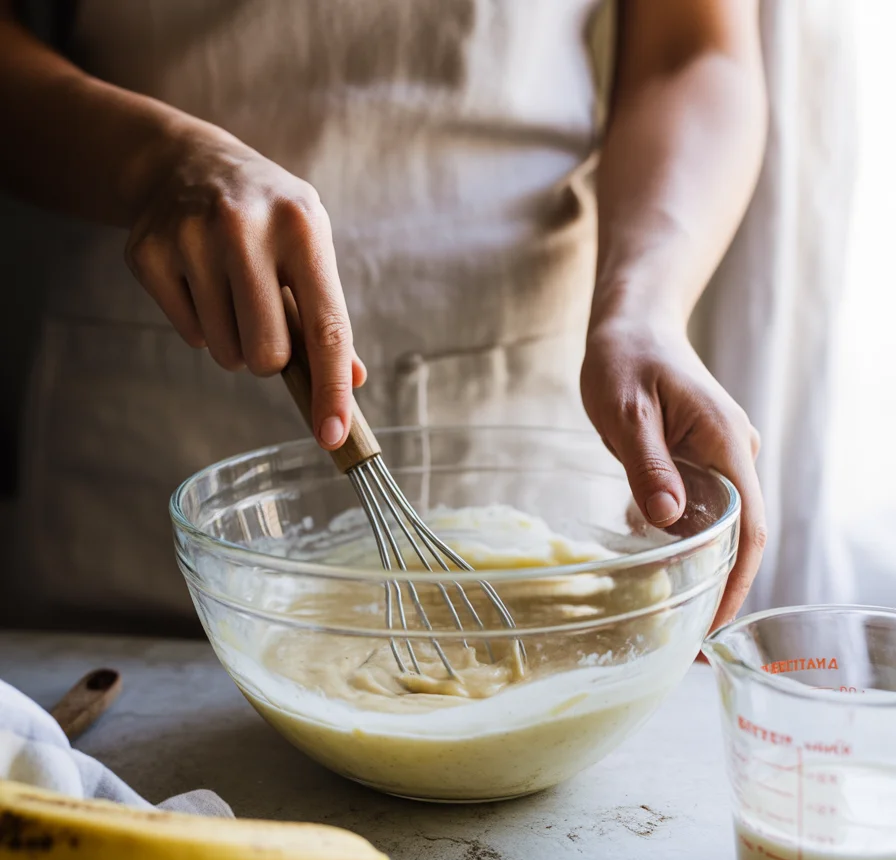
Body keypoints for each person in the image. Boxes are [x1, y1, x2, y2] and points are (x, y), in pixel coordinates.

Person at [0, 0, 767, 635]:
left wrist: (644, 311)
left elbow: (692, 51)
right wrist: (155, 161)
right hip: (145, 436)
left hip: (527, 405)